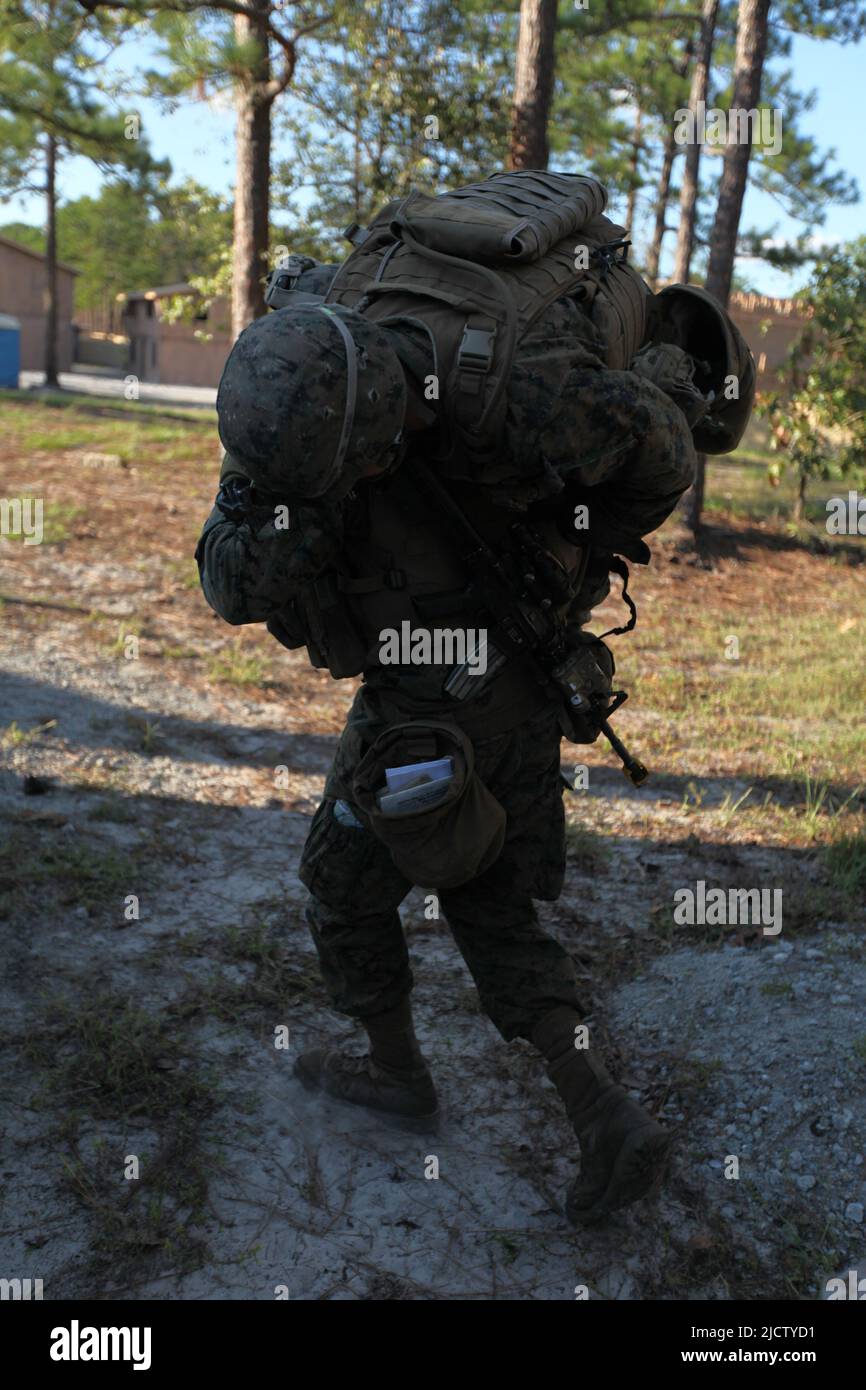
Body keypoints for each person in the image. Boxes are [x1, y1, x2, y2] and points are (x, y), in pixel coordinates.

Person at [195, 171, 753, 1226]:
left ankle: (397, 1076)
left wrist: (578, 543)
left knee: (342, 882)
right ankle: (598, 1112)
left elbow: (664, 449)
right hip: (513, 681)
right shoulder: (317, 365)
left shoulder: (526, 394)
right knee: (485, 896)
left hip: (441, 688)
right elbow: (235, 575)